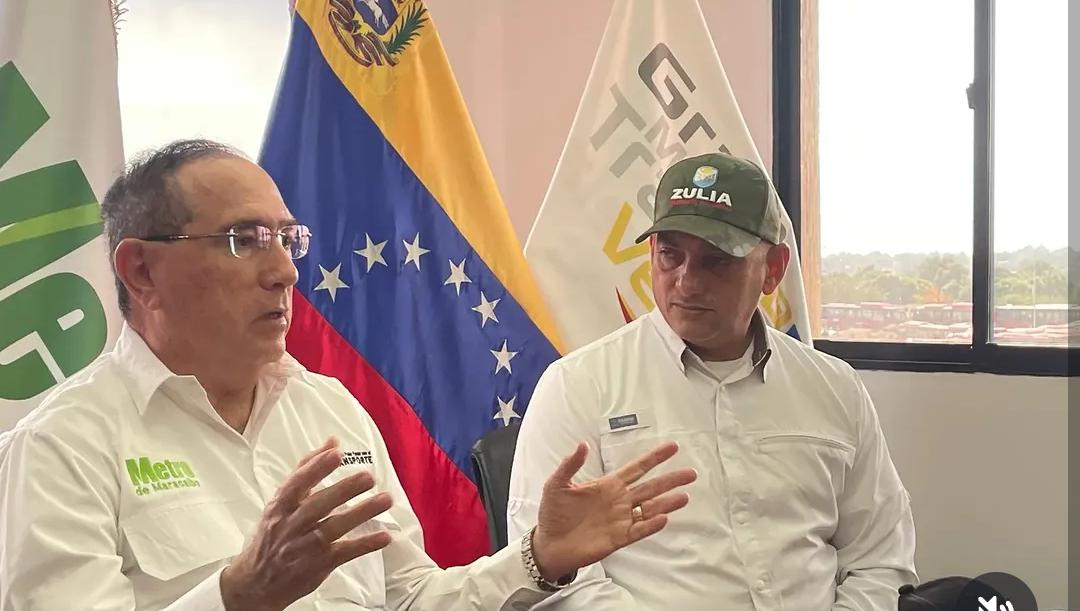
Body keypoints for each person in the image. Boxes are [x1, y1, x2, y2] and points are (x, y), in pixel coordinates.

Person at [0, 139, 697, 611]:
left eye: (288, 239)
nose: (285, 271)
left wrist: (539, 557)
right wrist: (238, 597)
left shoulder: (329, 409)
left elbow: (411, 598)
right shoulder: (63, 445)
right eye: (244, 240)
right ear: (141, 271)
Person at [507, 152, 917, 610]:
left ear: (774, 269)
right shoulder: (577, 386)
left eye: (716, 261)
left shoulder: (834, 387)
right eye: (670, 255)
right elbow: (558, 576)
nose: (686, 282)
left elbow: (881, 557)